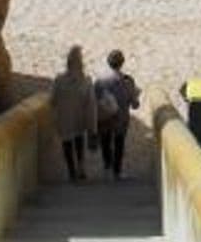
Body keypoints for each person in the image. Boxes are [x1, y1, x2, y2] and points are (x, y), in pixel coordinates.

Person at [51, 45, 96, 183]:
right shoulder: (86, 81)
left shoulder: (59, 80)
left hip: (64, 118)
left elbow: (53, 99)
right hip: (80, 118)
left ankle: (71, 172)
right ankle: (81, 168)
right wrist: (92, 126)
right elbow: (91, 105)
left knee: (67, 144)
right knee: (79, 141)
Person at [94, 50, 140, 180]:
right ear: (122, 63)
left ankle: (107, 166)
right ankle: (117, 171)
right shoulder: (128, 80)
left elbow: (94, 99)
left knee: (105, 141)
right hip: (121, 118)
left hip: (105, 117)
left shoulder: (100, 80)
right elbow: (135, 104)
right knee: (119, 143)